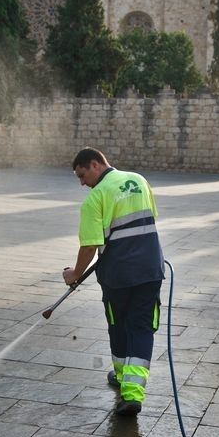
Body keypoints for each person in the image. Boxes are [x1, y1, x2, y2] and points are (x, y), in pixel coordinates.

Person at [63, 147, 164, 417]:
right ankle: (132, 391)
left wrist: (74, 274)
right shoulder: (139, 180)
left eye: (82, 175)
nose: (82, 183)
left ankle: (124, 383)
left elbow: (91, 244)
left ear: (95, 164)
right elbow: (149, 219)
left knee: (118, 325)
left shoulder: (96, 198)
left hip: (118, 276)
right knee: (141, 328)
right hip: (149, 270)